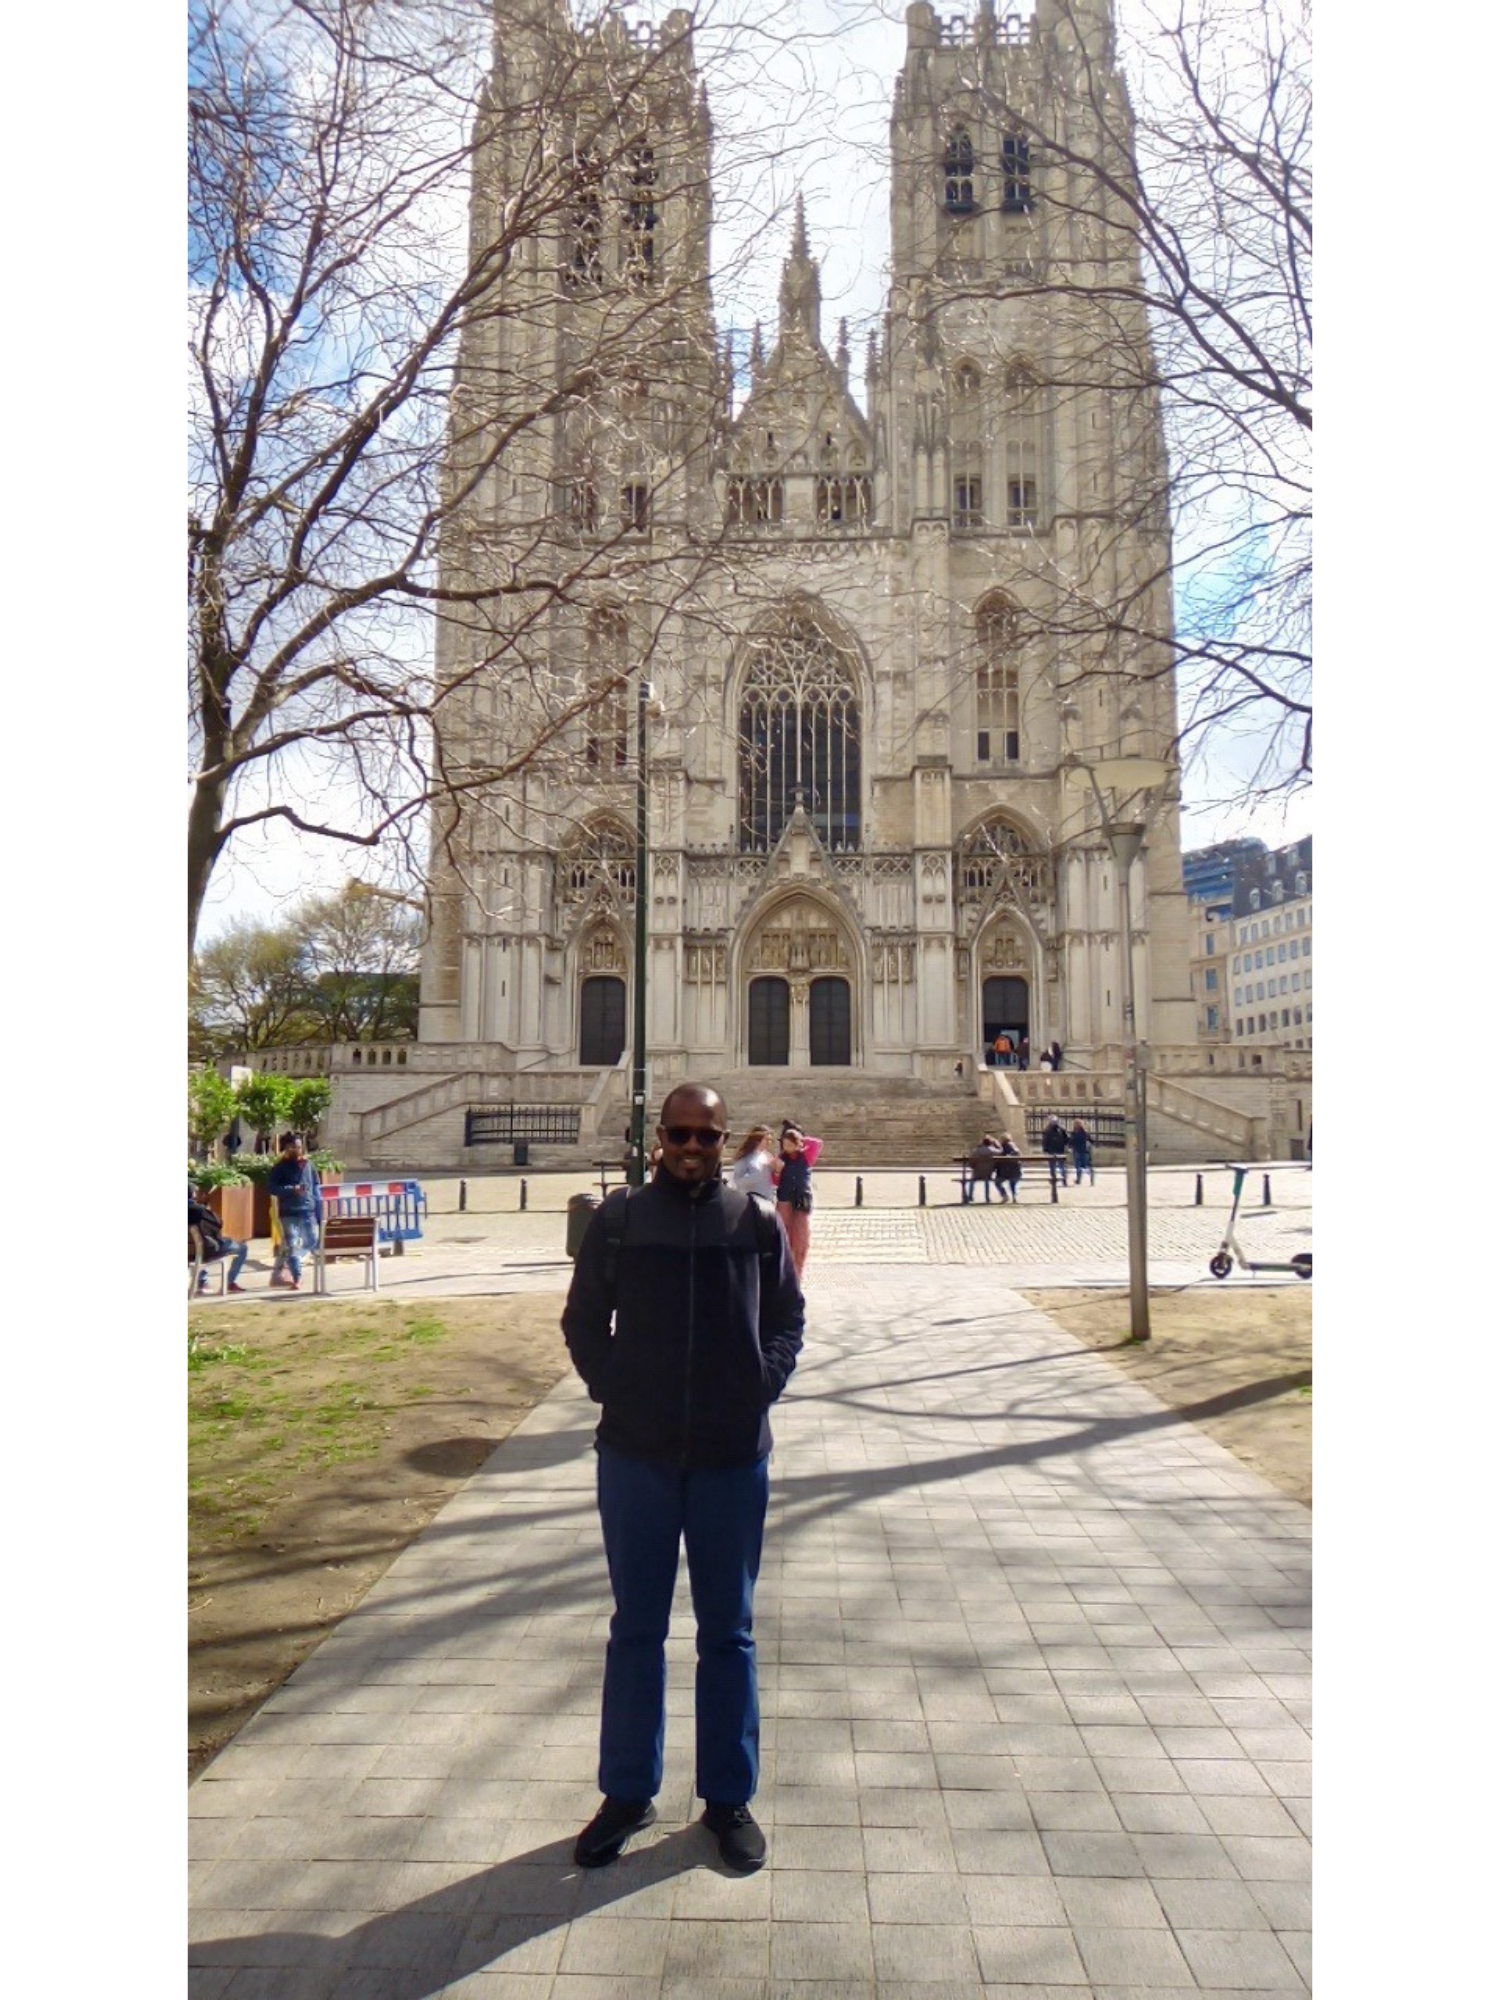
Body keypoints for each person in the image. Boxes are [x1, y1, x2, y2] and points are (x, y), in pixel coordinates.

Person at [562, 1083, 805, 1876]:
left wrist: (759, 1385)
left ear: (726, 1140)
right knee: (637, 1626)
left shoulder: (753, 1221)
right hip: (638, 1453)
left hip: (732, 1455)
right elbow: (581, 1320)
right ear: (658, 1138)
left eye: (707, 1134)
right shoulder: (622, 1219)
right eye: (680, 1133)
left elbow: (787, 1318)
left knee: (728, 1631)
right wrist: (615, 1386)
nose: (693, 1146)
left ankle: (728, 1798)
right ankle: (627, 1793)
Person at [266, 1135, 323, 1292]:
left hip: (308, 1211)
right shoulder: (280, 1167)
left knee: (312, 1240)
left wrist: (318, 1205)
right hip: (288, 1212)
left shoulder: (308, 1165)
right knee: (291, 1245)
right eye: (293, 1147)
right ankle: (297, 1277)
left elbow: (316, 1185)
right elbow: (272, 1188)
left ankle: (288, 1263)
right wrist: (292, 1189)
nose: (296, 1150)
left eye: (298, 1147)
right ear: (286, 1149)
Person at [187, 1183, 250, 1293]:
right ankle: (229, 1282)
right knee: (242, 1247)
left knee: (199, 1245)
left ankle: (202, 1283)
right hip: (205, 1250)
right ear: (193, 1194)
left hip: (190, 1251)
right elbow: (218, 1223)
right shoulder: (199, 1210)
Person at [775, 1125, 815, 1280]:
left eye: (790, 1144)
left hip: (801, 1199)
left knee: (800, 1236)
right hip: (784, 1198)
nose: (787, 1147)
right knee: (783, 1233)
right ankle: (784, 1270)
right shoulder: (780, 1158)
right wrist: (777, 1171)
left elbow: (816, 1143)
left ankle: (797, 1272)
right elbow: (774, 1181)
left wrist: (799, 1138)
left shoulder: (806, 1156)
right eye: (784, 1144)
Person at [727, 1125, 777, 1199]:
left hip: (767, 1199)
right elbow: (737, 1181)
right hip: (750, 1200)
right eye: (766, 1139)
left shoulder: (767, 1155)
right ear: (757, 1139)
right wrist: (759, 1175)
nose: (769, 1142)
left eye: (770, 1140)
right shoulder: (745, 1157)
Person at [963, 1134, 1004, 1204]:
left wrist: (972, 1166)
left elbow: (971, 1160)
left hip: (977, 1172)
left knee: (972, 1180)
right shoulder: (992, 1150)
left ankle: (970, 1196)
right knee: (986, 1181)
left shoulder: (977, 1150)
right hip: (988, 1172)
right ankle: (987, 1197)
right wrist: (998, 1145)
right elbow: (1001, 1151)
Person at [1041, 1113, 1070, 1187]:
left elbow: (1066, 1139)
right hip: (1052, 1150)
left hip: (1059, 1150)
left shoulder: (1061, 1129)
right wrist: (1045, 1149)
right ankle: (1055, 1179)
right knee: (1053, 1167)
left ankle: (1063, 1179)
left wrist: (1066, 1146)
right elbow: (1045, 1141)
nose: (1054, 1122)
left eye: (1054, 1121)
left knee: (1061, 1166)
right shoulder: (1047, 1130)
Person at [1069, 1119, 1095, 1188]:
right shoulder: (1085, 1133)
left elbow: (1071, 1142)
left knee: (1078, 1166)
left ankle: (1078, 1179)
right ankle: (1091, 1178)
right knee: (1087, 1166)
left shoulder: (1074, 1133)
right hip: (1086, 1151)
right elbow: (1092, 1141)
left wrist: (1070, 1147)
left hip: (1077, 1151)